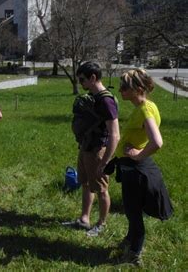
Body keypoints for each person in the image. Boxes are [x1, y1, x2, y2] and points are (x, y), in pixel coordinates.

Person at [115, 69, 173, 266]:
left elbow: (157, 142)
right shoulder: (147, 106)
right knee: (132, 209)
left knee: (133, 212)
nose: (120, 90)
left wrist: (138, 155)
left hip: (136, 169)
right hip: (131, 167)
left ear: (138, 89)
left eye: (124, 87)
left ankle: (134, 254)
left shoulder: (144, 110)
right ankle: (129, 241)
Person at [64, 62, 119, 237]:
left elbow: (115, 134)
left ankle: (101, 224)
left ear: (93, 78)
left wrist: (105, 160)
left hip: (98, 150)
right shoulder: (93, 97)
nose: (80, 83)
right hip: (86, 147)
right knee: (86, 184)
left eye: (82, 79)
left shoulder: (106, 101)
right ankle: (84, 219)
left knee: (102, 189)